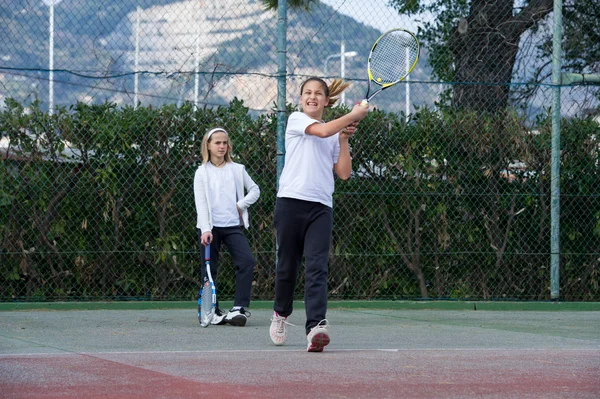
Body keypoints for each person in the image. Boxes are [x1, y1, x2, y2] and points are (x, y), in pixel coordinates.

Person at [269, 78, 368, 351]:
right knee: (287, 267)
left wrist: (345, 138)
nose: (312, 97)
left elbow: (344, 173)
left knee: (317, 267)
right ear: (301, 99)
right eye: (307, 93)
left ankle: (315, 327)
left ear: (326, 100)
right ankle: (280, 314)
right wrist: (354, 115)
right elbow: (322, 132)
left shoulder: (334, 132)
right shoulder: (296, 120)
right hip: (289, 203)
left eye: (318, 94)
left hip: (321, 207)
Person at [194, 127, 260, 327]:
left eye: (225, 143)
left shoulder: (237, 169)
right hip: (210, 229)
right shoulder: (201, 173)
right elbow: (201, 204)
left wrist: (241, 205)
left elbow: (255, 190)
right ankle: (212, 312)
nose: (222, 146)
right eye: (217, 143)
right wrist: (206, 229)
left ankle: (238, 308)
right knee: (209, 271)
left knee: (247, 261)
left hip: (233, 227)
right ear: (208, 145)